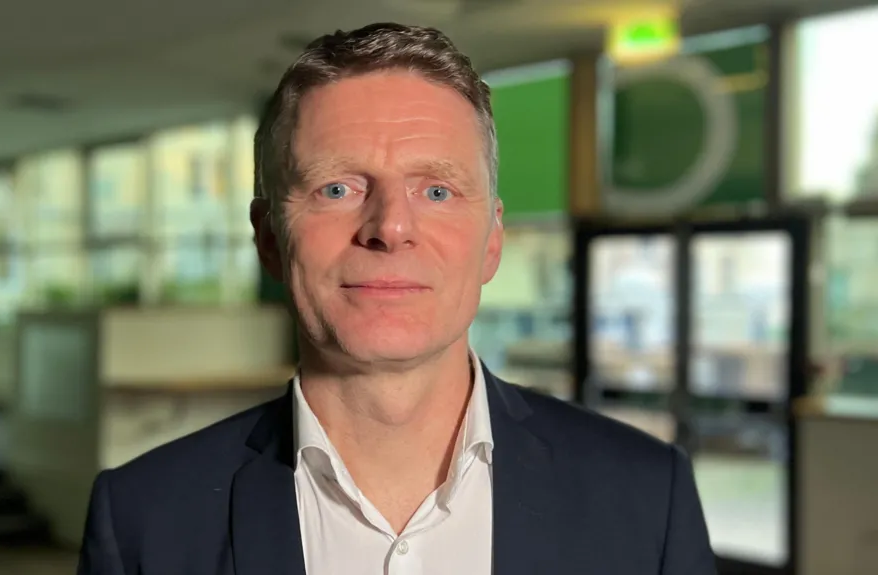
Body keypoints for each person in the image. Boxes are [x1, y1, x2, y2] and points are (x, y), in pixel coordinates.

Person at [77, 22, 716, 575]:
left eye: (436, 191)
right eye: (337, 189)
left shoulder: (646, 497)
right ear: (270, 239)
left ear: (492, 242)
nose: (390, 227)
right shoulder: (142, 521)